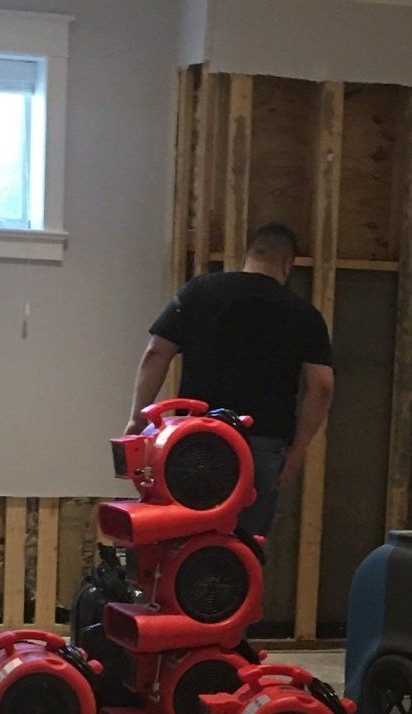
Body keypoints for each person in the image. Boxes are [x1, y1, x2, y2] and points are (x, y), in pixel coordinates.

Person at [128, 222, 335, 540]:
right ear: (287, 264)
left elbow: (156, 354)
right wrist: (297, 453)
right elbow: (321, 386)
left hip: (194, 443)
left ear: (249, 255)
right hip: (262, 446)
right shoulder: (304, 314)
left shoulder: (199, 292)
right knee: (240, 555)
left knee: (183, 547)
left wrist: (137, 420)